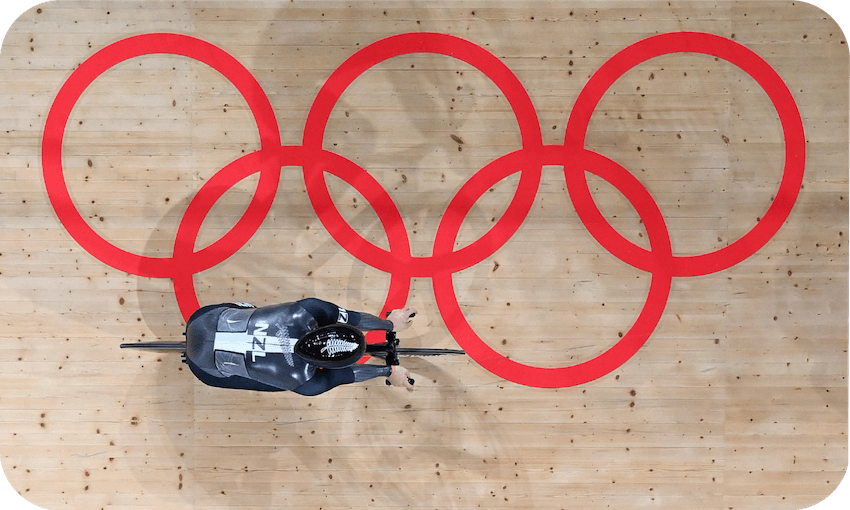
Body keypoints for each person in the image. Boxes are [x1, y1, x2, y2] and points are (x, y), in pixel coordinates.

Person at [182, 298, 416, 395]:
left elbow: (344, 375)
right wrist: (389, 325)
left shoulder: (306, 312)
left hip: (202, 320)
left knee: (278, 381)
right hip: (206, 368)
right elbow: (353, 319)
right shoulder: (303, 381)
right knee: (270, 383)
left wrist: (390, 372)